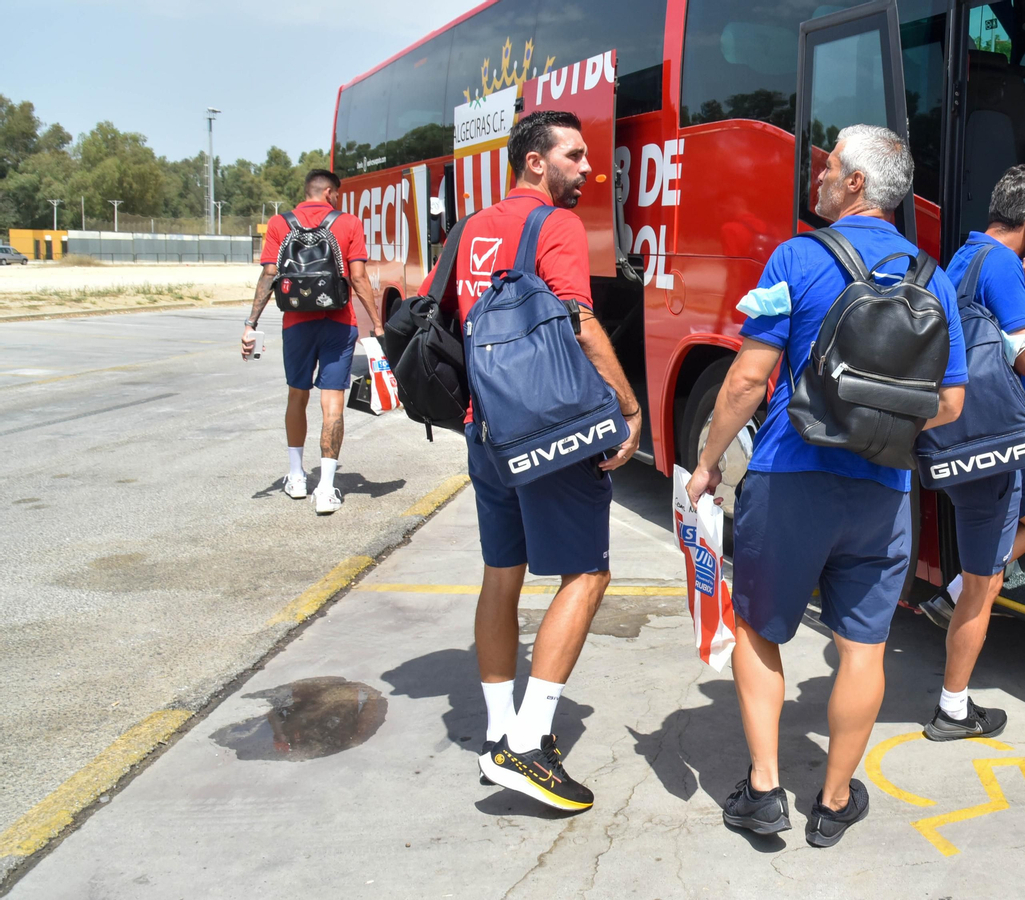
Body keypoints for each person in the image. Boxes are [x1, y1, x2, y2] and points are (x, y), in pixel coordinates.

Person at [686, 124, 967, 847]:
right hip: (883, 492)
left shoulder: (795, 258)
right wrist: (878, 425)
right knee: (862, 649)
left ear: (853, 185)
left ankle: (764, 790)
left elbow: (748, 379)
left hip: (790, 478)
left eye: (829, 161)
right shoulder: (930, 276)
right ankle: (835, 800)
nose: (817, 169)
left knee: (758, 627)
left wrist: (709, 459)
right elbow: (952, 404)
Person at [415, 111, 643, 812]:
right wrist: (627, 407)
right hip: (546, 432)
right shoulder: (557, 226)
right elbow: (578, 321)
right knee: (588, 572)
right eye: (575, 156)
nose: (587, 169)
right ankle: (528, 741)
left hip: (484, 429)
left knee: (501, 575)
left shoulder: (467, 228)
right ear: (536, 163)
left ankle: (496, 735)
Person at [927, 166, 1025, 741]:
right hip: (988, 447)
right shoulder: (1009, 270)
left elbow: (997, 350)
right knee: (985, 587)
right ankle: (952, 710)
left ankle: (956, 589)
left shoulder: (965, 256)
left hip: (978, 432)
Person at [242, 169, 380, 515]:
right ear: (331, 193)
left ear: (307, 192)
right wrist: (377, 324)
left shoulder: (279, 223)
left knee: (296, 395)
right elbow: (359, 277)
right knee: (332, 402)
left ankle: (296, 476)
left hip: (296, 324)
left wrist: (250, 324)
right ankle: (326, 488)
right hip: (338, 322)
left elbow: (269, 275)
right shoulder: (347, 223)